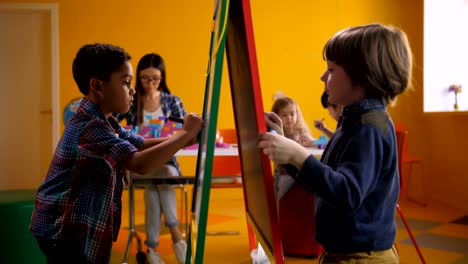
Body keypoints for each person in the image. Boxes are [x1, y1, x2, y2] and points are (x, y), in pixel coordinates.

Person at [29, 43, 203, 264]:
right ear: (98, 86)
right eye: (126, 82)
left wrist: (185, 137)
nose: (132, 90)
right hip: (61, 229)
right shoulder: (89, 126)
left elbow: (139, 144)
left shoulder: (105, 120)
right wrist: (185, 132)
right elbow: (139, 163)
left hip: (70, 224)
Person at [258, 23, 412, 263]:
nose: (322, 76)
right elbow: (325, 181)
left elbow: (347, 193)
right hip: (345, 255)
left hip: (360, 259)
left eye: (331, 69)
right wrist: (288, 154)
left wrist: (298, 155)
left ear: (362, 76)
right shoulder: (353, 121)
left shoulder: (369, 127)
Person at [119, 53, 187, 264]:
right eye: (145, 79)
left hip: (167, 164)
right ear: (137, 78)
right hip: (142, 164)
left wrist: (176, 131)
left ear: (162, 78)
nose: (150, 83)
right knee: (154, 178)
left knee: (157, 182)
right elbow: (115, 126)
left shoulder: (172, 101)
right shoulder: (131, 100)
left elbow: (183, 130)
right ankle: (177, 236)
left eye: (155, 79)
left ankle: (152, 249)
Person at [271, 96, 315, 200]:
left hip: (302, 172)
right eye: (284, 115)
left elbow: (314, 143)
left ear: (297, 114)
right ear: (277, 117)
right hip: (284, 173)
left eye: (292, 114)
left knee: (315, 188)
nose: (289, 118)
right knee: (277, 196)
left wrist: (311, 143)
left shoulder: (301, 131)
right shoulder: (277, 132)